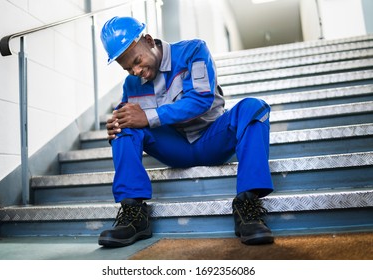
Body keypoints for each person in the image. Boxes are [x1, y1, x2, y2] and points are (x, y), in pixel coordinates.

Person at [98, 16, 274, 248]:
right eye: (128, 68)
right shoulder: (131, 85)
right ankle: (134, 214)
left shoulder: (193, 51)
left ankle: (247, 205)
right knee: (125, 123)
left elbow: (201, 99)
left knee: (253, 107)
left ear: (149, 40)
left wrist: (148, 116)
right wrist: (117, 126)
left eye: (137, 61)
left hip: (213, 138)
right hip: (175, 148)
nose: (136, 71)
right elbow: (127, 120)